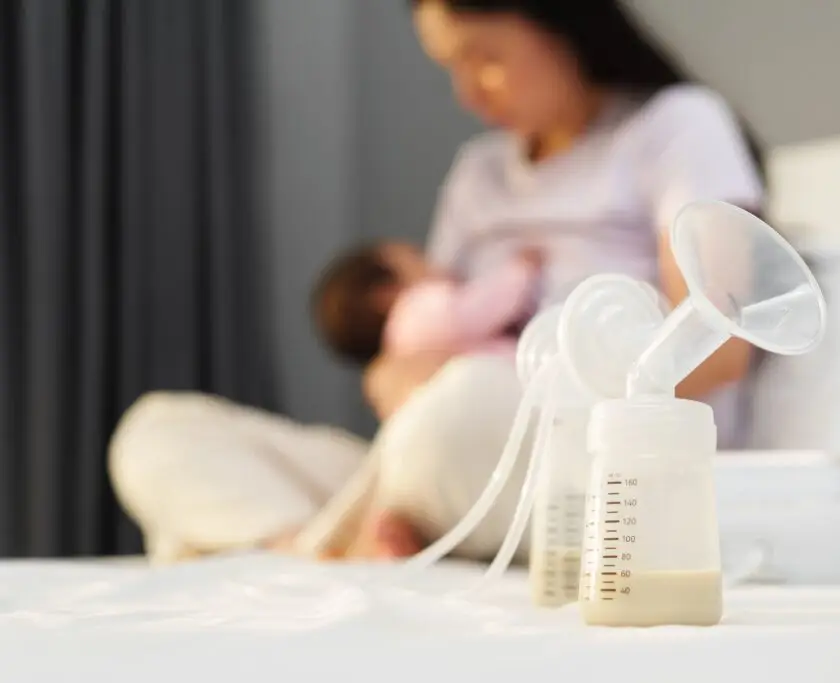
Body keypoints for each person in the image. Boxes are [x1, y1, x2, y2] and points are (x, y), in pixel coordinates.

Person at [108, 0, 764, 564]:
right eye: (450, 66)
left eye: (483, 56)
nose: (467, 93)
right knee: (156, 430)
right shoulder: (478, 174)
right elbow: (414, 351)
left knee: (465, 404)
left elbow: (719, 344)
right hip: (442, 450)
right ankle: (307, 550)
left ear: (558, 19)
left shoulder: (677, 127)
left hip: (600, 460)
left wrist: (520, 377)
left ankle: (328, 546)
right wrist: (398, 377)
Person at [313, 241, 540, 365]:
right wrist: (520, 271)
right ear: (384, 295)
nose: (434, 263)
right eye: (416, 256)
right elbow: (475, 311)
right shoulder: (413, 318)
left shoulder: (404, 356)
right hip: (524, 369)